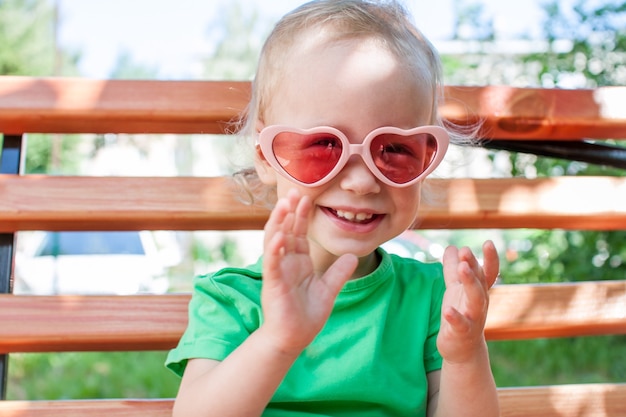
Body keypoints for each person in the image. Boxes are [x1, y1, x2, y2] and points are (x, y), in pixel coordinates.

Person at [165, 1, 500, 416]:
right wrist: (278, 339)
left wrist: (465, 356)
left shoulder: (431, 297)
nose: (361, 182)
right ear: (267, 157)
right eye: (324, 146)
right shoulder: (232, 300)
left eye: (395, 149)